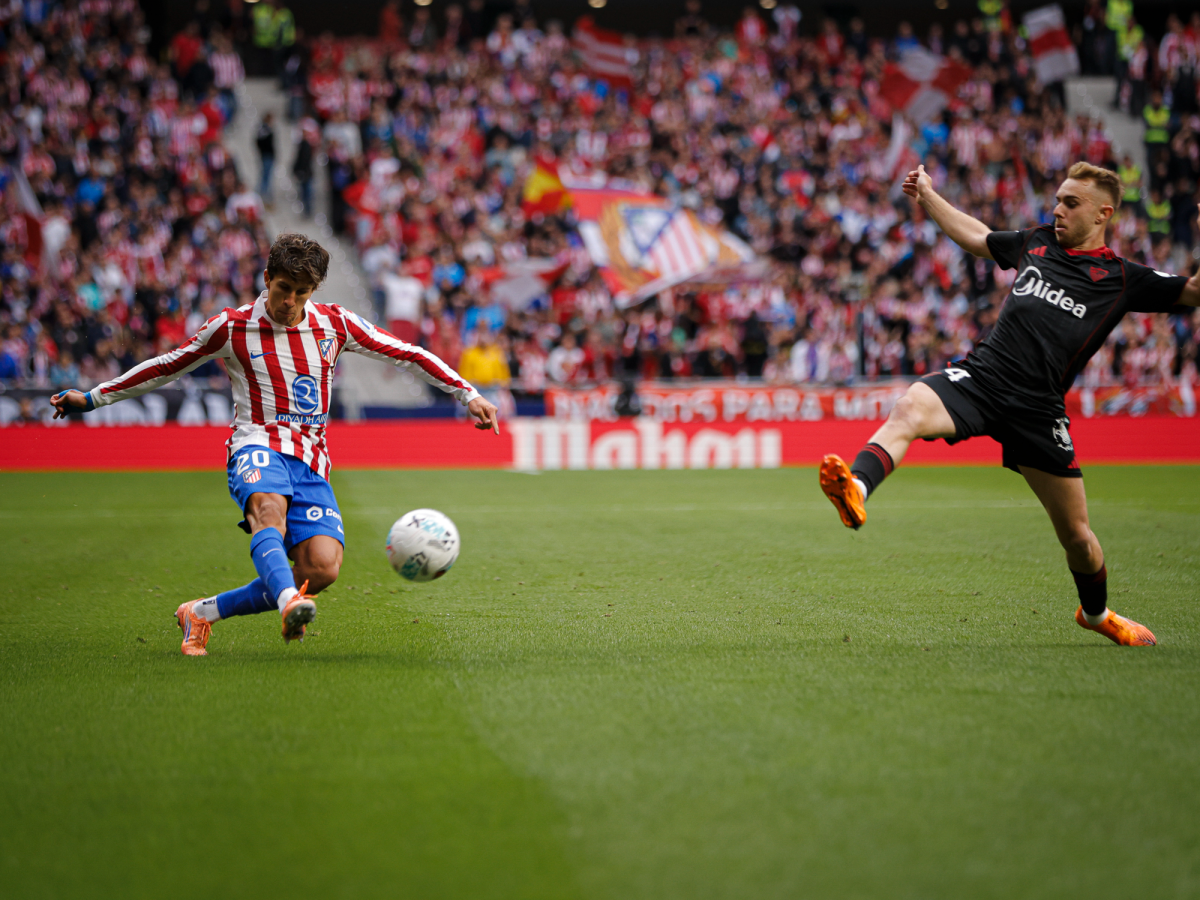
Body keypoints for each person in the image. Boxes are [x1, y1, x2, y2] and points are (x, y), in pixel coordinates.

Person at [50, 234, 499, 656]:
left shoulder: (335, 324)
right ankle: (288, 603)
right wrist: (93, 397)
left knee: (321, 569)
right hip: (255, 444)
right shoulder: (231, 327)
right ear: (267, 278)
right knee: (269, 511)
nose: (291, 302)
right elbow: (167, 365)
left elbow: (407, 353)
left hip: (311, 461)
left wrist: (469, 393)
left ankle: (200, 613)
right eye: (284, 288)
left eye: (302, 292)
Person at [820, 162, 1200, 647]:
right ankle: (855, 487)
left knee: (1079, 539)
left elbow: (1194, 291)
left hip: (1039, 409)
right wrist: (929, 196)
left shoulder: (1123, 278)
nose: (1057, 209)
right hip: (983, 376)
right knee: (909, 408)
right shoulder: (1036, 242)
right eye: (1058, 199)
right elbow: (978, 236)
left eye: (1070, 203)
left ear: (1104, 214)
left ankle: (1098, 614)